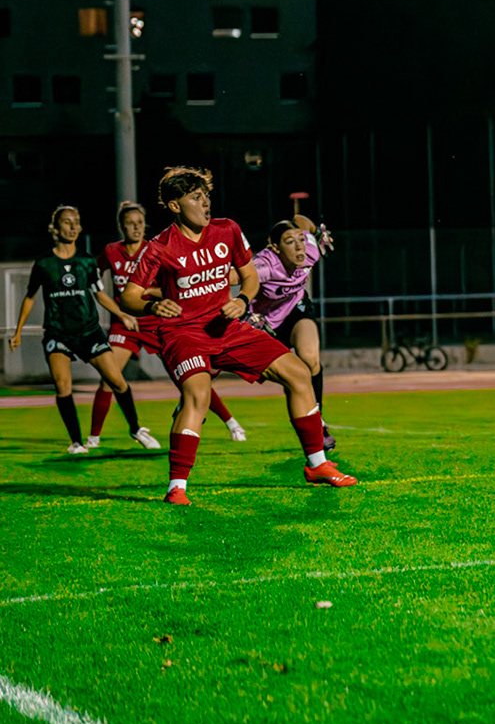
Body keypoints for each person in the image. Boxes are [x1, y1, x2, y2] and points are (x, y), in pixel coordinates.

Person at [118, 166, 358, 506]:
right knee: (197, 397)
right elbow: (128, 296)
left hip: (228, 327)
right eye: (196, 198)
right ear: (174, 206)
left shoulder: (228, 230)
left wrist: (243, 300)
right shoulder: (159, 247)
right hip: (184, 333)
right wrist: (154, 306)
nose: (205, 204)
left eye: (207, 197)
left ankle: (317, 465)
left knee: (299, 373)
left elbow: (250, 278)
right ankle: (177, 487)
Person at [8, 205, 159, 454]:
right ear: (55, 228)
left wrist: (122, 314)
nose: (73, 226)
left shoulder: (86, 261)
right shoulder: (45, 263)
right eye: (67, 222)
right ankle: (77, 442)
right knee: (63, 385)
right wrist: (18, 331)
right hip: (58, 333)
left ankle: (135, 428)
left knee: (116, 381)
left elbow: (99, 294)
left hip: (89, 331)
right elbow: (30, 297)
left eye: (76, 222)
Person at [95, 201, 247, 445]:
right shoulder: (112, 251)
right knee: (109, 377)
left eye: (140, 223)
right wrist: (121, 312)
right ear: (121, 226)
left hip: (157, 320)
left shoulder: (157, 247)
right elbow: (95, 285)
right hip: (126, 324)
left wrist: (157, 295)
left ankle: (231, 421)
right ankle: (95, 438)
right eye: (130, 223)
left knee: (191, 377)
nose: (135, 227)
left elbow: (177, 282)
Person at [250, 214, 337, 449]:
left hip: (297, 310)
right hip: (265, 323)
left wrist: (316, 231)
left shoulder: (310, 251)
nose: (299, 245)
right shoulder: (264, 266)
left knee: (310, 360)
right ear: (275, 247)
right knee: (291, 377)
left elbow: (300, 219)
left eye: (301, 239)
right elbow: (233, 278)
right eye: (290, 241)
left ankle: (317, 420)